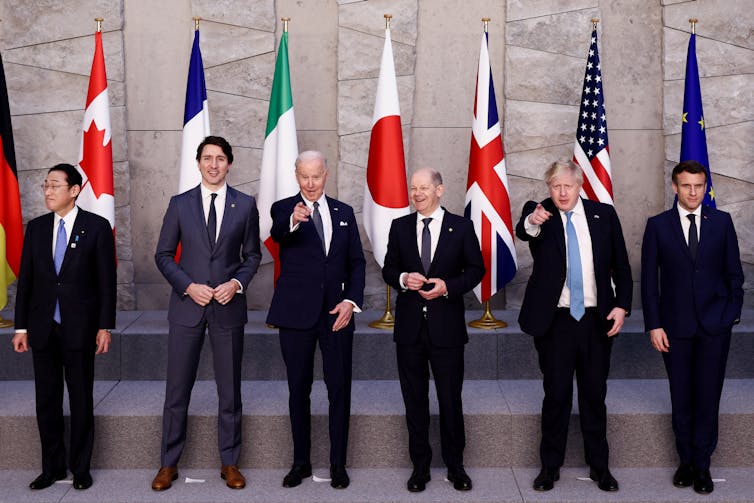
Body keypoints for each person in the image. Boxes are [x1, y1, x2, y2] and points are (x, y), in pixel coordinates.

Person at [151, 136, 261, 491]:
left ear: (230, 164)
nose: (213, 165)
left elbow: (253, 256)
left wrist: (236, 284)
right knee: (177, 390)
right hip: (188, 307)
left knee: (229, 391)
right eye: (207, 158)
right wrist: (188, 286)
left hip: (228, 308)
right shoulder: (180, 204)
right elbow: (164, 255)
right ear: (198, 163)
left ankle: (230, 462)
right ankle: (168, 463)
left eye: (220, 159)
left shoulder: (245, 205)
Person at [516, 159, 632, 492]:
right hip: (557, 321)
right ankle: (549, 468)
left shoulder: (603, 215)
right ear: (548, 187)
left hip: (596, 320)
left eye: (568, 185)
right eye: (555, 186)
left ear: (580, 185)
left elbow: (622, 267)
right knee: (556, 396)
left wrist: (622, 306)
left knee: (595, 395)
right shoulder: (540, 211)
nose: (562, 192)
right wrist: (533, 220)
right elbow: (525, 229)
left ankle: (600, 467)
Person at [641, 160, 743, 495]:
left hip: (715, 328)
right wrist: (654, 325)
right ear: (675, 187)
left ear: (705, 186)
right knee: (681, 395)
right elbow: (648, 284)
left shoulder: (722, 223)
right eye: (686, 185)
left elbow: (734, 277)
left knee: (708, 396)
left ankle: (703, 465)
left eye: (698, 185)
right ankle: (685, 461)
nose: (693, 192)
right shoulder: (657, 226)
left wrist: (730, 316)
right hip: (674, 328)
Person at [12, 163, 116, 491]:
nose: (47, 191)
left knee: (81, 398)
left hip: (80, 329)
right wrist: (20, 328)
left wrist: (104, 326)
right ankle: (52, 467)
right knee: (47, 401)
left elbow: (106, 283)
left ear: (74, 190)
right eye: (45, 185)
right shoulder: (37, 228)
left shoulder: (96, 227)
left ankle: (81, 468)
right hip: (42, 328)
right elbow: (26, 281)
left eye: (55, 185)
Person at [266, 150, 366, 490]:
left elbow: (357, 263)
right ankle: (301, 462)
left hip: (337, 315)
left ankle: (338, 463)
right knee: (299, 390)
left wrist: (351, 302)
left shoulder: (344, 212)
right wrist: (295, 219)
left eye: (316, 176)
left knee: (340, 389)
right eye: (304, 177)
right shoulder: (284, 209)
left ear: (327, 174)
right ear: (297, 175)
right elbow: (279, 233)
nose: (310, 184)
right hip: (296, 315)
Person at [382, 168, 485, 493]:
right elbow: (389, 268)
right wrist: (402, 280)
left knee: (450, 399)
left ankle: (456, 467)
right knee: (414, 401)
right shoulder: (399, 227)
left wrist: (447, 286)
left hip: (447, 331)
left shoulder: (462, 227)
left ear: (439, 190)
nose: (417, 194)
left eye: (424, 188)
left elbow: (476, 269)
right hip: (410, 330)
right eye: (414, 188)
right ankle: (420, 468)